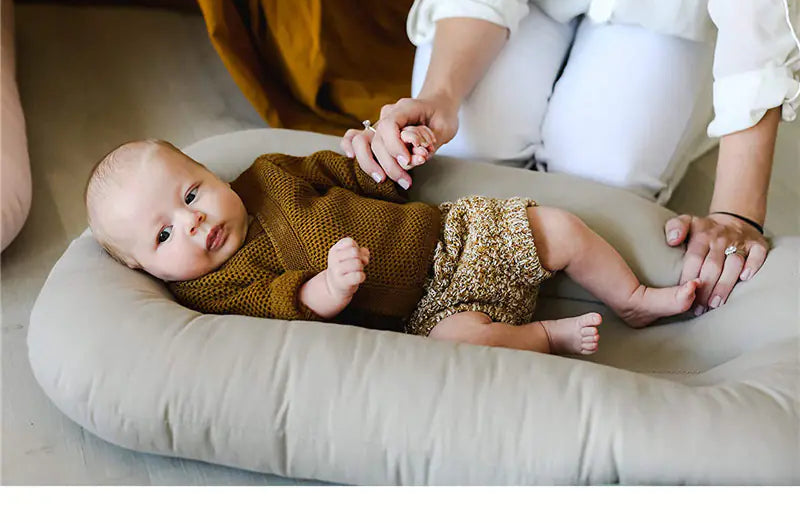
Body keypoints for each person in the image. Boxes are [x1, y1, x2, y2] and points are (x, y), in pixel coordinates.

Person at [342, 0, 800, 317]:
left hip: (666, 10)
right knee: (465, 159)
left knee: (599, 181)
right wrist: (440, 96)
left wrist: (736, 213)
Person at [84, 137, 702, 356]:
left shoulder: (270, 175)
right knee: (464, 344)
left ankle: (633, 297)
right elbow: (278, 305)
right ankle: (545, 337)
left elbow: (345, 171)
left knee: (561, 228)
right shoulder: (212, 287)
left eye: (192, 193)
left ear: (211, 173)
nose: (192, 222)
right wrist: (327, 288)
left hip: (453, 238)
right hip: (421, 316)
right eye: (164, 235)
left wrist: (390, 156)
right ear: (146, 267)